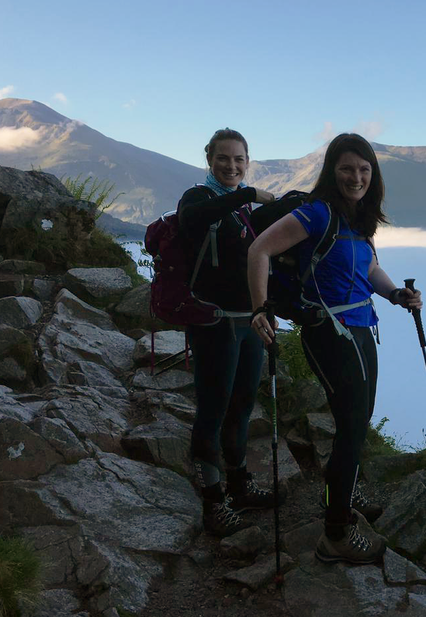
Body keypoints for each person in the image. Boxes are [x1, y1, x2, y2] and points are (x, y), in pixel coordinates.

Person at [247, 132, 421, 565]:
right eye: (347, 168)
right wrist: (259, 308)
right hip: (328, 331)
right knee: (351, 426)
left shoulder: (361, 219)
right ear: (332, 171)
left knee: (359, 418)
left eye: (364, 169)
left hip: (363, 327)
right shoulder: (317, 214)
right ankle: (336, 533)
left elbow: (371, 268)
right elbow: (260, 248)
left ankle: (342, 488)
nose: (356, 176)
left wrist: (395, 294)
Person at [177, 128, 279, 537]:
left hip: (250, 320)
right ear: (209, 159)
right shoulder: (197, 198)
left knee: (243, 402)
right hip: (215, 320)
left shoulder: (243, 211)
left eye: (239, 160)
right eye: (224, 158)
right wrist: (250, 193)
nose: (232, 166)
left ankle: (239, 482)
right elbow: (193, 221)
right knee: (214, 406)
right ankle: (214, 499)